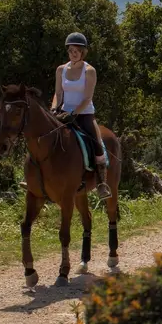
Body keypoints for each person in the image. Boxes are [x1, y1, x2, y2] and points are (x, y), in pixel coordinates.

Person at [51, 32, 112, 200]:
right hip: (63, 114)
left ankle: (101, 184)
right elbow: (58, 93)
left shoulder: (89, 71)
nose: (73, 53)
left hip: (84, 114)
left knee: (97, 144)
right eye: (70, 50)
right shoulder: (61, 70)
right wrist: (54, 108)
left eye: (77, 50)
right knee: (45, 137)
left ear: (83, 52)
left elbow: (87, 98)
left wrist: (74, 113)